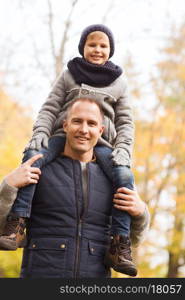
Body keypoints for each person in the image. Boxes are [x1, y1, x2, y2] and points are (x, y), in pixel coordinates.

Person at [0, 24, 136, 276]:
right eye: (92, 44)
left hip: (107, 149)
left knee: (126, 178)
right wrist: (39, 136)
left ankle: (120, 243)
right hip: (41, 273)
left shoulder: (119, 81)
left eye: (103, 45)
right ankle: (17, 223)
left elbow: (126, 121)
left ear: (110, 50)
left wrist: (124, 150)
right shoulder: (70, 74)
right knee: (33, 157)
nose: (97, 49)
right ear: (83, 47)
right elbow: (49, 107)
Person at [0, 98, 149, 278]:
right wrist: (8, 186)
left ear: (100, 131)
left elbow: (133, 241)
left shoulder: (114, 179)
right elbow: (4, 228)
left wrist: (141, 213)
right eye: (77, 121)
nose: (84, 129)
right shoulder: (37, 169)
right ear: (65, 125)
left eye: (92, 123)